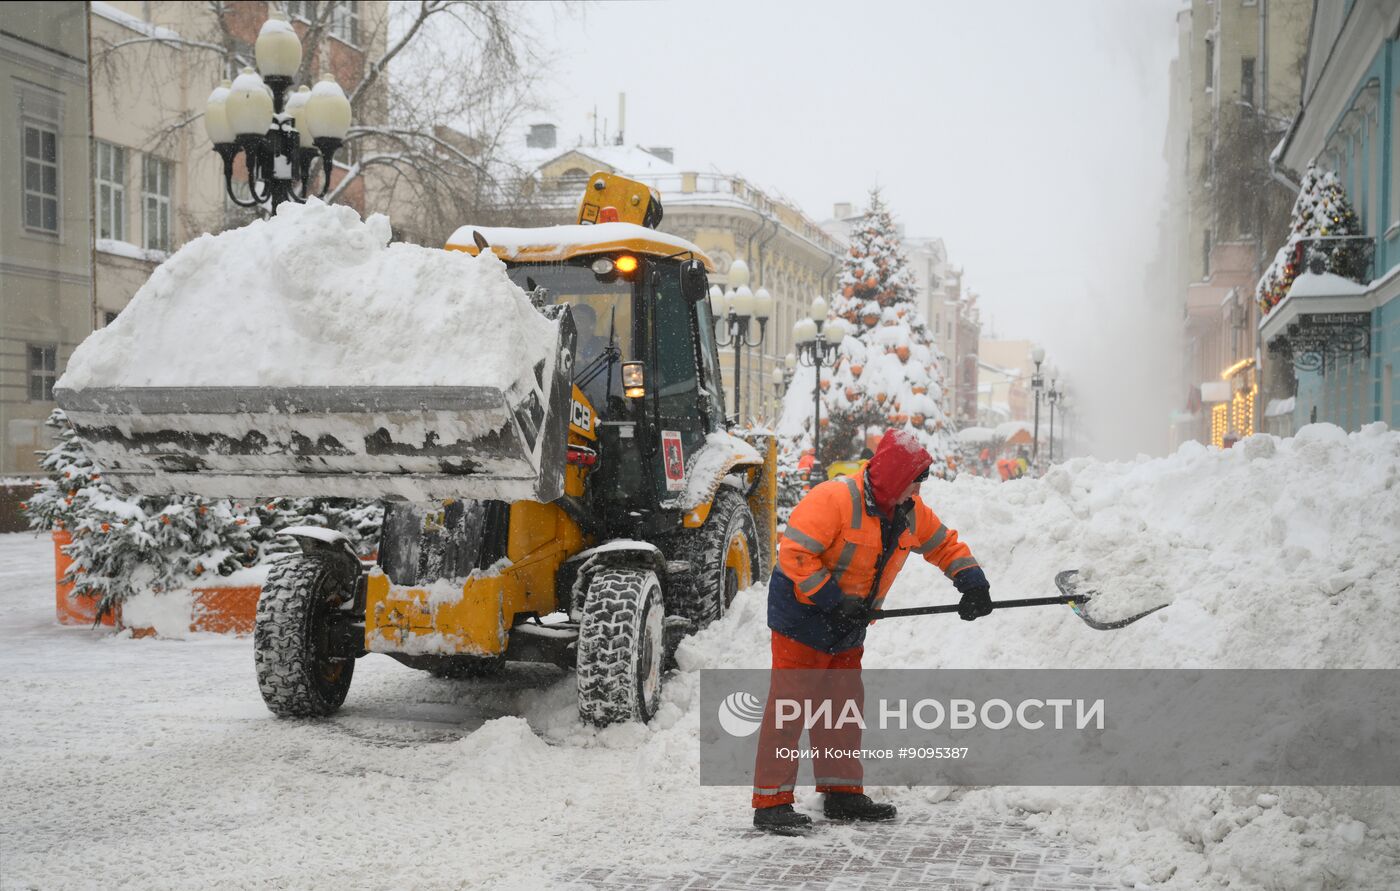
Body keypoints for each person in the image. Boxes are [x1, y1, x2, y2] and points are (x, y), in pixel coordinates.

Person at [750, 428, 991, 834]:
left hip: (849, 621)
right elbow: (795, 553)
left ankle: (841, 793)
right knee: (789, 710)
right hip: (802, 616)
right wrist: (832, 600)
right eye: (914, 481)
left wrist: (972, 582)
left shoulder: (909, 510)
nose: (918, 490)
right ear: (895, 479)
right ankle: (771, 803)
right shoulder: (834, 499)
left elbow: (943, 544)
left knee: (841, 709)